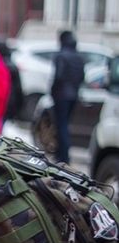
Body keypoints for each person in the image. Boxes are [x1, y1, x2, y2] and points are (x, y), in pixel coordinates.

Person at [51, 29, 85, 164]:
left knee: (61, 125)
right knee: (65, 125)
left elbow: (58, 76)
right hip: (73, 95)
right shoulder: (79, 57)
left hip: (61, 95)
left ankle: (62, 156)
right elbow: (82, 77)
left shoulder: (61, 55)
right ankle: (63, 154)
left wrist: (52, 90)